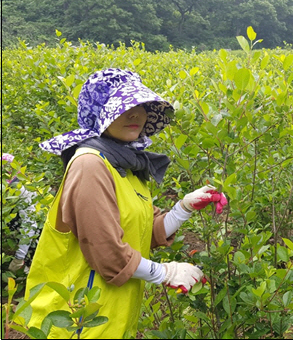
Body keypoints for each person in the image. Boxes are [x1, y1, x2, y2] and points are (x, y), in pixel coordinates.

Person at [23, 69, 228, 338]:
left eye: (140, 106)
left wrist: (183, 208)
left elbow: (146, 228)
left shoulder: (123, 164)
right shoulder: (90, 165)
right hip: (74, 322)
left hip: (109, 318)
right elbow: (107, 252)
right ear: (99, 113)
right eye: (123, 107)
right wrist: (165, 272)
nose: (135, 114)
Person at [2, 153, 41, 274]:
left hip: (30, 225)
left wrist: (19, 257)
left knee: (35, 239)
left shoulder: (22, 191)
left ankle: (26, 269)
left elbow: (29, 224)